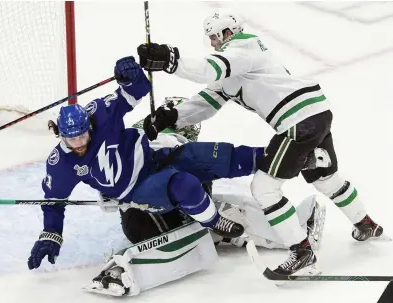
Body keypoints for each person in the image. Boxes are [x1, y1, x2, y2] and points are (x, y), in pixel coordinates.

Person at [136, 12, 385, 276]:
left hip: (298, 122)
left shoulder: (243, 48)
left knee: (264, 188)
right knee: (325, 179)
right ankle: (366, 223)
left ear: (227, 33)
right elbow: (207, 102)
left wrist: (170, 59)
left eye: (214, 37)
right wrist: (171, 116)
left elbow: (210, 68)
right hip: (316, 113)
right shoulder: (237, 63)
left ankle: (301, 252)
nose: (212, 43)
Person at [27, 56, 267, 272]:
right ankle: (215, 222)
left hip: (156, 156)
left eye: (82, 135)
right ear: (61, 135)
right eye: (71, 139)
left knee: (220, 156)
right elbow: (53, 202)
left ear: (89, 125)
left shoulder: (100, 112)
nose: (78, 143)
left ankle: (280, 156)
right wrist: (51, 233)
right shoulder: (60, 164)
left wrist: (130, 75)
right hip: (139, 189)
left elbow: (139, 88)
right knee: (185, 184)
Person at [84, 100, 326, 297]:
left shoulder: (137, 144)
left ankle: (120, 272)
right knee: (215, 218)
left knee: (215, 211)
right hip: (151, 222)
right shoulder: (171, 144)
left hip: (143, 219)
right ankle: (120, 272)